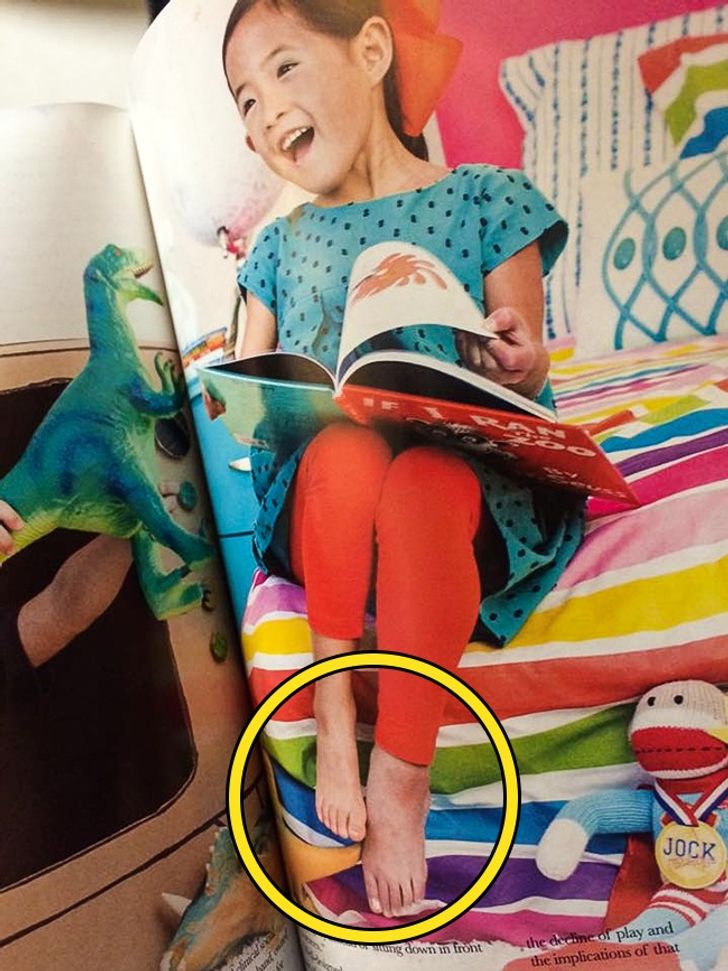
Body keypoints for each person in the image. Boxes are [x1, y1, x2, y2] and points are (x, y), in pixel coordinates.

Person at [221, 0, 584, 920]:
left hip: (465, 486)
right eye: (245, 100)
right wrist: (245, 398)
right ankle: (335, 706)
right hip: (329, 496)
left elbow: (528, 359)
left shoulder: (487, 197)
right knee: (345, 448)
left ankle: (401, 770)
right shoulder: (278, 246)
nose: (267, 109)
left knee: (422, 480)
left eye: (284, 69)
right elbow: (246, 383)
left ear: (373, 49)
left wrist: (516, 359)